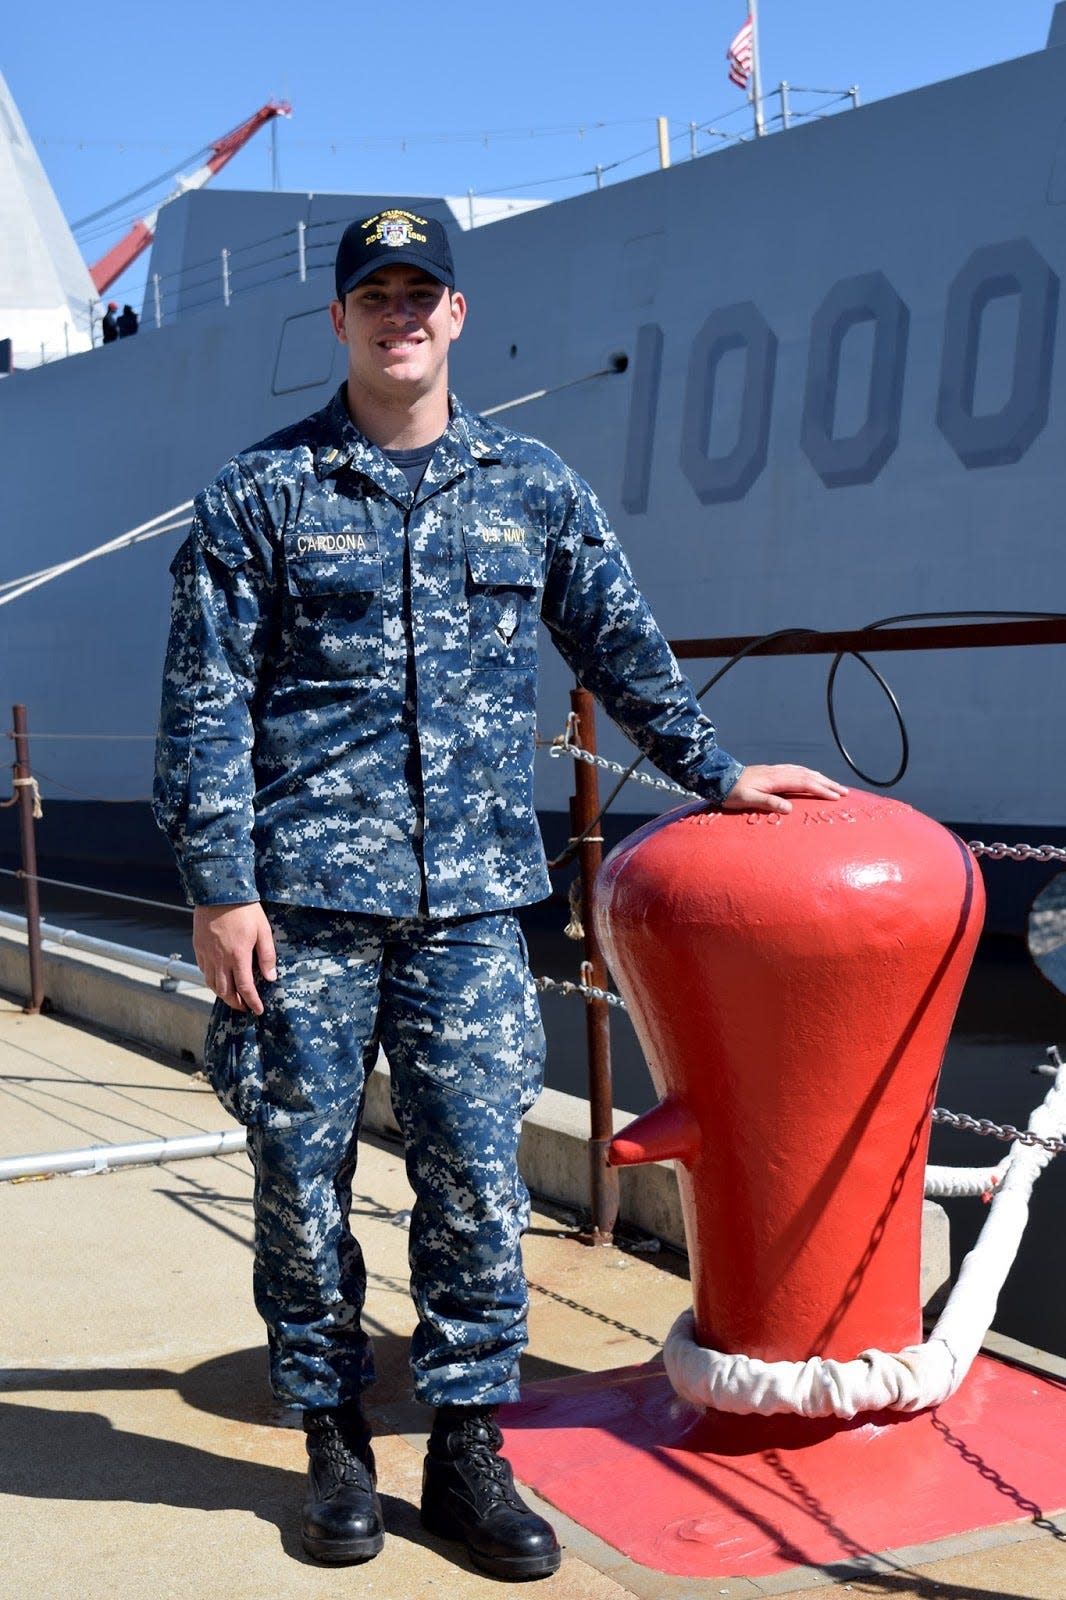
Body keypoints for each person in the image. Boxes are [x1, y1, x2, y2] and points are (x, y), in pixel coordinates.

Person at [153, 206, 846, 1581]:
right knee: (298, 1183)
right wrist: (220, 889)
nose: (398, 316)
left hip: (469, 907)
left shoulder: (530, 485)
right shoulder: (260, 494)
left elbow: (618, 638)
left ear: (455, 316)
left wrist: (714, 775)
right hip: (301, 906)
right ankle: (335, 1440)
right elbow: (204, 698)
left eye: (422, 295)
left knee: (474, 1181)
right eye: (374, 297)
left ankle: (468, 1447)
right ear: (341, 323)